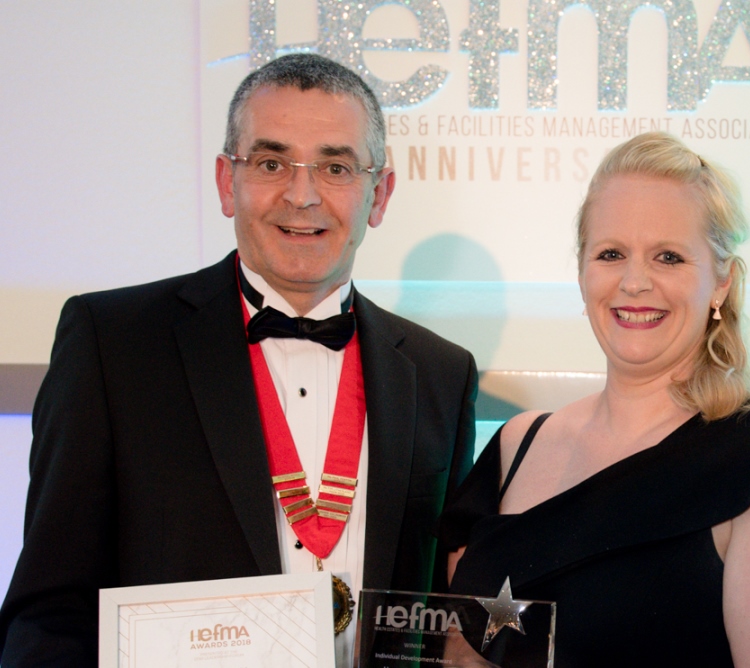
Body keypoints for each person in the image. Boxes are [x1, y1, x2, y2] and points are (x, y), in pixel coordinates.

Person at [0, 53, 477, 665]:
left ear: (378, 195)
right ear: (228, 182)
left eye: (335, 166)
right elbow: (50, 613)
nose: (302, 197)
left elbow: (438, 615)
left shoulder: (441, 375)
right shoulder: (113, 343)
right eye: (272, 162)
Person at [439, 132, 750, 667]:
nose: (635, 282)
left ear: (721, 283)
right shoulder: (517, 445)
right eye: (611, 253)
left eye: (669, 257)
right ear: (582, 271)